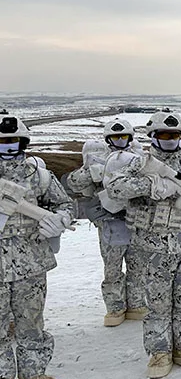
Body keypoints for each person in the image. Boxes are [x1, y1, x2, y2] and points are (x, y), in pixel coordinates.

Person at [105, 111, 181, 379]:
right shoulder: (140, 164)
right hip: (153, 247)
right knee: (158, 302)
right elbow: (115, 188)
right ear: (153, 137)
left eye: (174, 135)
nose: (170, 139)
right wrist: (154, 184)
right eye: (164, 135)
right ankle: (160, 351)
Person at [0, 112, 72, 379]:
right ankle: (2, 378)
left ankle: (33, 376)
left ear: (24, 142)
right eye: (2, 141)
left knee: (31, 321)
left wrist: (60, 220)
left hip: (31, 263)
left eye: (13, 141)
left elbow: (64, 204)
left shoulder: (39, 176)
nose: (8, 146)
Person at [67, 118, 147, 326]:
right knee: (112, 268)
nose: (119, 140)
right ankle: (115, 308)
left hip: (137, 220)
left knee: (137, 266)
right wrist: (93, 172)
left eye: (123, 136)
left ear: (130, 138)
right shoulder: (97, 159)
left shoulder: (139, 158)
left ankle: (137, 304)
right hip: (111, 221)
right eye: (115, 137)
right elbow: (74, 182)